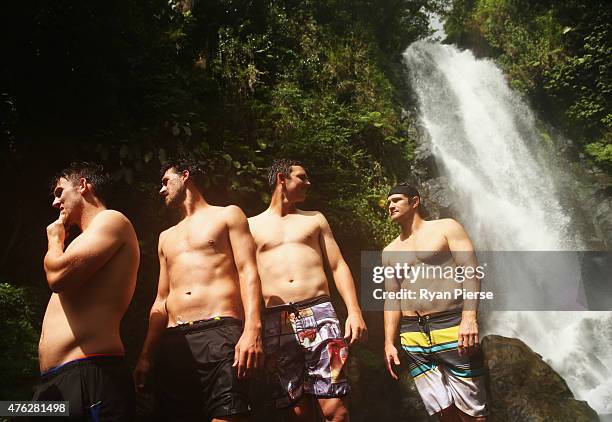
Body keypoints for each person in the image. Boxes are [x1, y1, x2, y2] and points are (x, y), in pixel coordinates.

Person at [133, 158, 263, 422]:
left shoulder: (228, 215)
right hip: (175, 339)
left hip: (220, 333)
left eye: (165, 181)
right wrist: (146, 355)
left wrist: (252, 329)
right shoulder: (165, 237)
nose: (161, 190)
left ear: (186, 175)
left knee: (229, 415)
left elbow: (248, 271)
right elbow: (161, 300)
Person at [248, 159, 367, 422]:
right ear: (282, 178)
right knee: (297, 412)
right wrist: (250, 329)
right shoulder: (250, 226)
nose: (309, 183)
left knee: (336, 409)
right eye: (302, 177)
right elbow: (246, 280)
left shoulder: (314, 219)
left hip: (320, 313)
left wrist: (354, 311)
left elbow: (337, 266)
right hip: (275, 321)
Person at [34, 162, 139, 421]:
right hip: (52, 383)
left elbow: (57, 277)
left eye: (60, 192)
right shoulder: (81, 241)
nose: (55, 203)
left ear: (82, 186)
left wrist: (54, 240)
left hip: (91, 373)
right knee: (11, 409)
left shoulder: (112, 220)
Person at [383, 183, 487, 421]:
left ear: (415, 201)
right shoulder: (389, 250)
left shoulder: (446, 228)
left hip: (450, 325)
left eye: (397, 200)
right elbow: (392, 298)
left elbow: (471, 271)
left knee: (473, 412)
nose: (390, 205)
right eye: (389, 202)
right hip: (412, 335)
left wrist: (469, 318)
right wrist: (389, 342)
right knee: (443, 412)